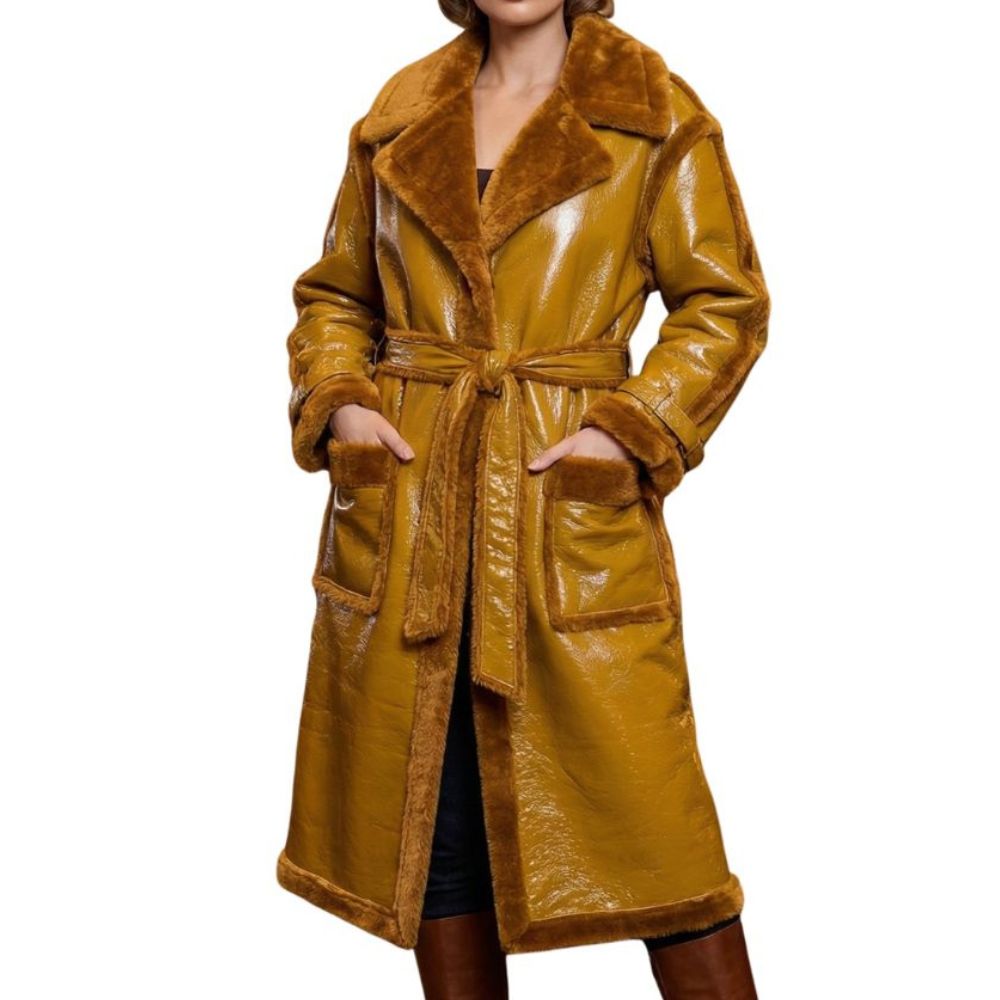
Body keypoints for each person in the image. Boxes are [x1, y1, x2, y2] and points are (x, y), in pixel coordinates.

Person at [277, 2, 770, 997]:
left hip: (559, 514)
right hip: (414, 512)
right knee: (434, 822)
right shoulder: (402, 109)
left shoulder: (653, 111)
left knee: (660, 841)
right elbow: (337, 295)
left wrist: (627, 429)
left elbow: (724, 303)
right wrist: (342, 403)